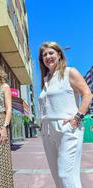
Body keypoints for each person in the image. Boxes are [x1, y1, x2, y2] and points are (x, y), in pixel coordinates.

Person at [38, 41, 93, 188]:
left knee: (66, 175)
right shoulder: (45, 80)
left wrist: (78, 117)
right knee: (57, 176)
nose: (48, 56)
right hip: (47, 130)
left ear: (59, 55)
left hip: (67, 128)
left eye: (51, 53)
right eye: (44, 54)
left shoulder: (70, 72)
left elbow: (87, 94)